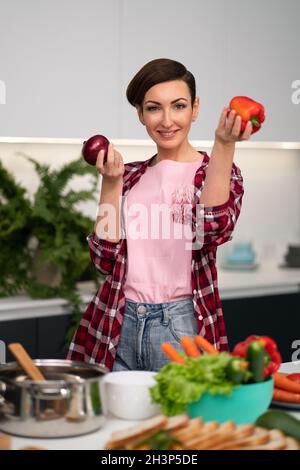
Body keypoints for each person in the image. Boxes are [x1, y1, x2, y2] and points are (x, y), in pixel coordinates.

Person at [67, 58, 252, 371]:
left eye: (178, 106)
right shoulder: (129, 176)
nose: (167, 120)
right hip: (117, 323)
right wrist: (111, 183)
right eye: (154, 108)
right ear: (141, 113)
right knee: (117, 420)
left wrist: (224, 144)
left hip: (181, 328)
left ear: (195, 109)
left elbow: (213, 229)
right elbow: (104, 260)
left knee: (178, 420)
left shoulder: (217, 174)